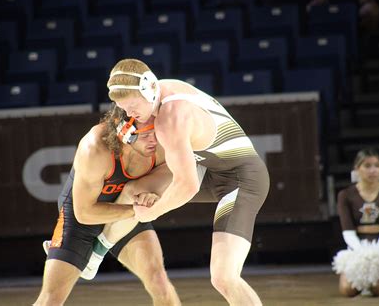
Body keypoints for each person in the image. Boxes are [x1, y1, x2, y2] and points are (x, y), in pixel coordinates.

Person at [103, 58, 270, 306]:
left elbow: (187, 186)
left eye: (132, 106)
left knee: (224, 277)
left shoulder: (171, 117)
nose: (129, 114)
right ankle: (97, 249)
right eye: (123, 107)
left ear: (148, 91)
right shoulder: (163, 88)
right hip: (210, 169)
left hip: (242, 179)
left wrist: (153, 211)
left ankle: (96, 246)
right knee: (135, 190)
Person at [33, 106, 181, 306]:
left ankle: (101, 246)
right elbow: (84, 213)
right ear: (125, 134)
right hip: (82, 219)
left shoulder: (160, 146)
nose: (154, 140)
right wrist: (137, 210)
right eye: (146, 135)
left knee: (159, 283)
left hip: (126, 213)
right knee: (50, 300)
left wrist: (150, 193)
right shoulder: (95, 148)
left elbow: (174, 173)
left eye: (156, 132)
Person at [334, 148, 379, 297]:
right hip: (356, 248)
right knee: (347, 290)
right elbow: (347, 231)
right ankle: (362, 283)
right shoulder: (345, 195)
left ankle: (377, 281)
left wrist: (375, 254)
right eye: (367, 166)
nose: (373, 170)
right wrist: (362, 255)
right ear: (357, 169)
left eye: (377, 166)